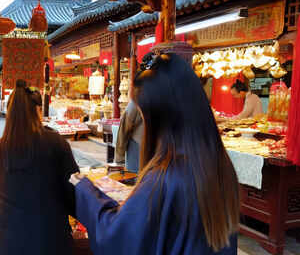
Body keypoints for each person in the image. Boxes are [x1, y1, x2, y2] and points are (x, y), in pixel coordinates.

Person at [70, 52, 239, 255]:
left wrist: (84, 190)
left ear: (160, 119)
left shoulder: (165, 178)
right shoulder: (221, 165)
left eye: (143, 115)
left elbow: (119, 236)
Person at [0, 79, 79, 255]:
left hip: (10, 244)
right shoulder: (56, 142)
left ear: (10, 113)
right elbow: (74, 191)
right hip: (52, 242)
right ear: (38, 110)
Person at [115, 99, 143, 173]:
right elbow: (124, 129)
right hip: (138, 146)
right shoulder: (136, 102)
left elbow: (123, 129)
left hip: (140, 147)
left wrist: (119, 158)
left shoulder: (136, 102)